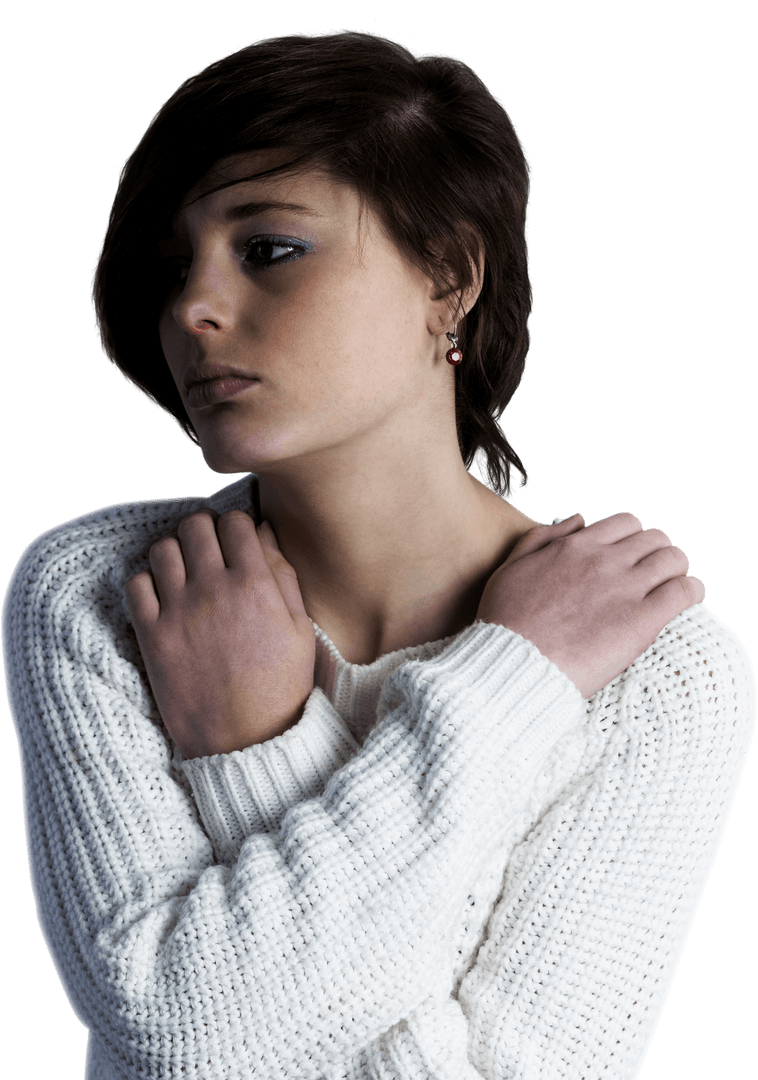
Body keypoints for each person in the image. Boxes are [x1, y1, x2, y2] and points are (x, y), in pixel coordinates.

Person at [2, 27, 754, 1080]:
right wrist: (516, 683)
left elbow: (202, 1032)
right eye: (172, 268)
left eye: (268, 249)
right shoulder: (98, 591)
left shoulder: (659, 672)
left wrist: (255, 749)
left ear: (449, 275)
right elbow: (171, 1033)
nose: (191, 309)